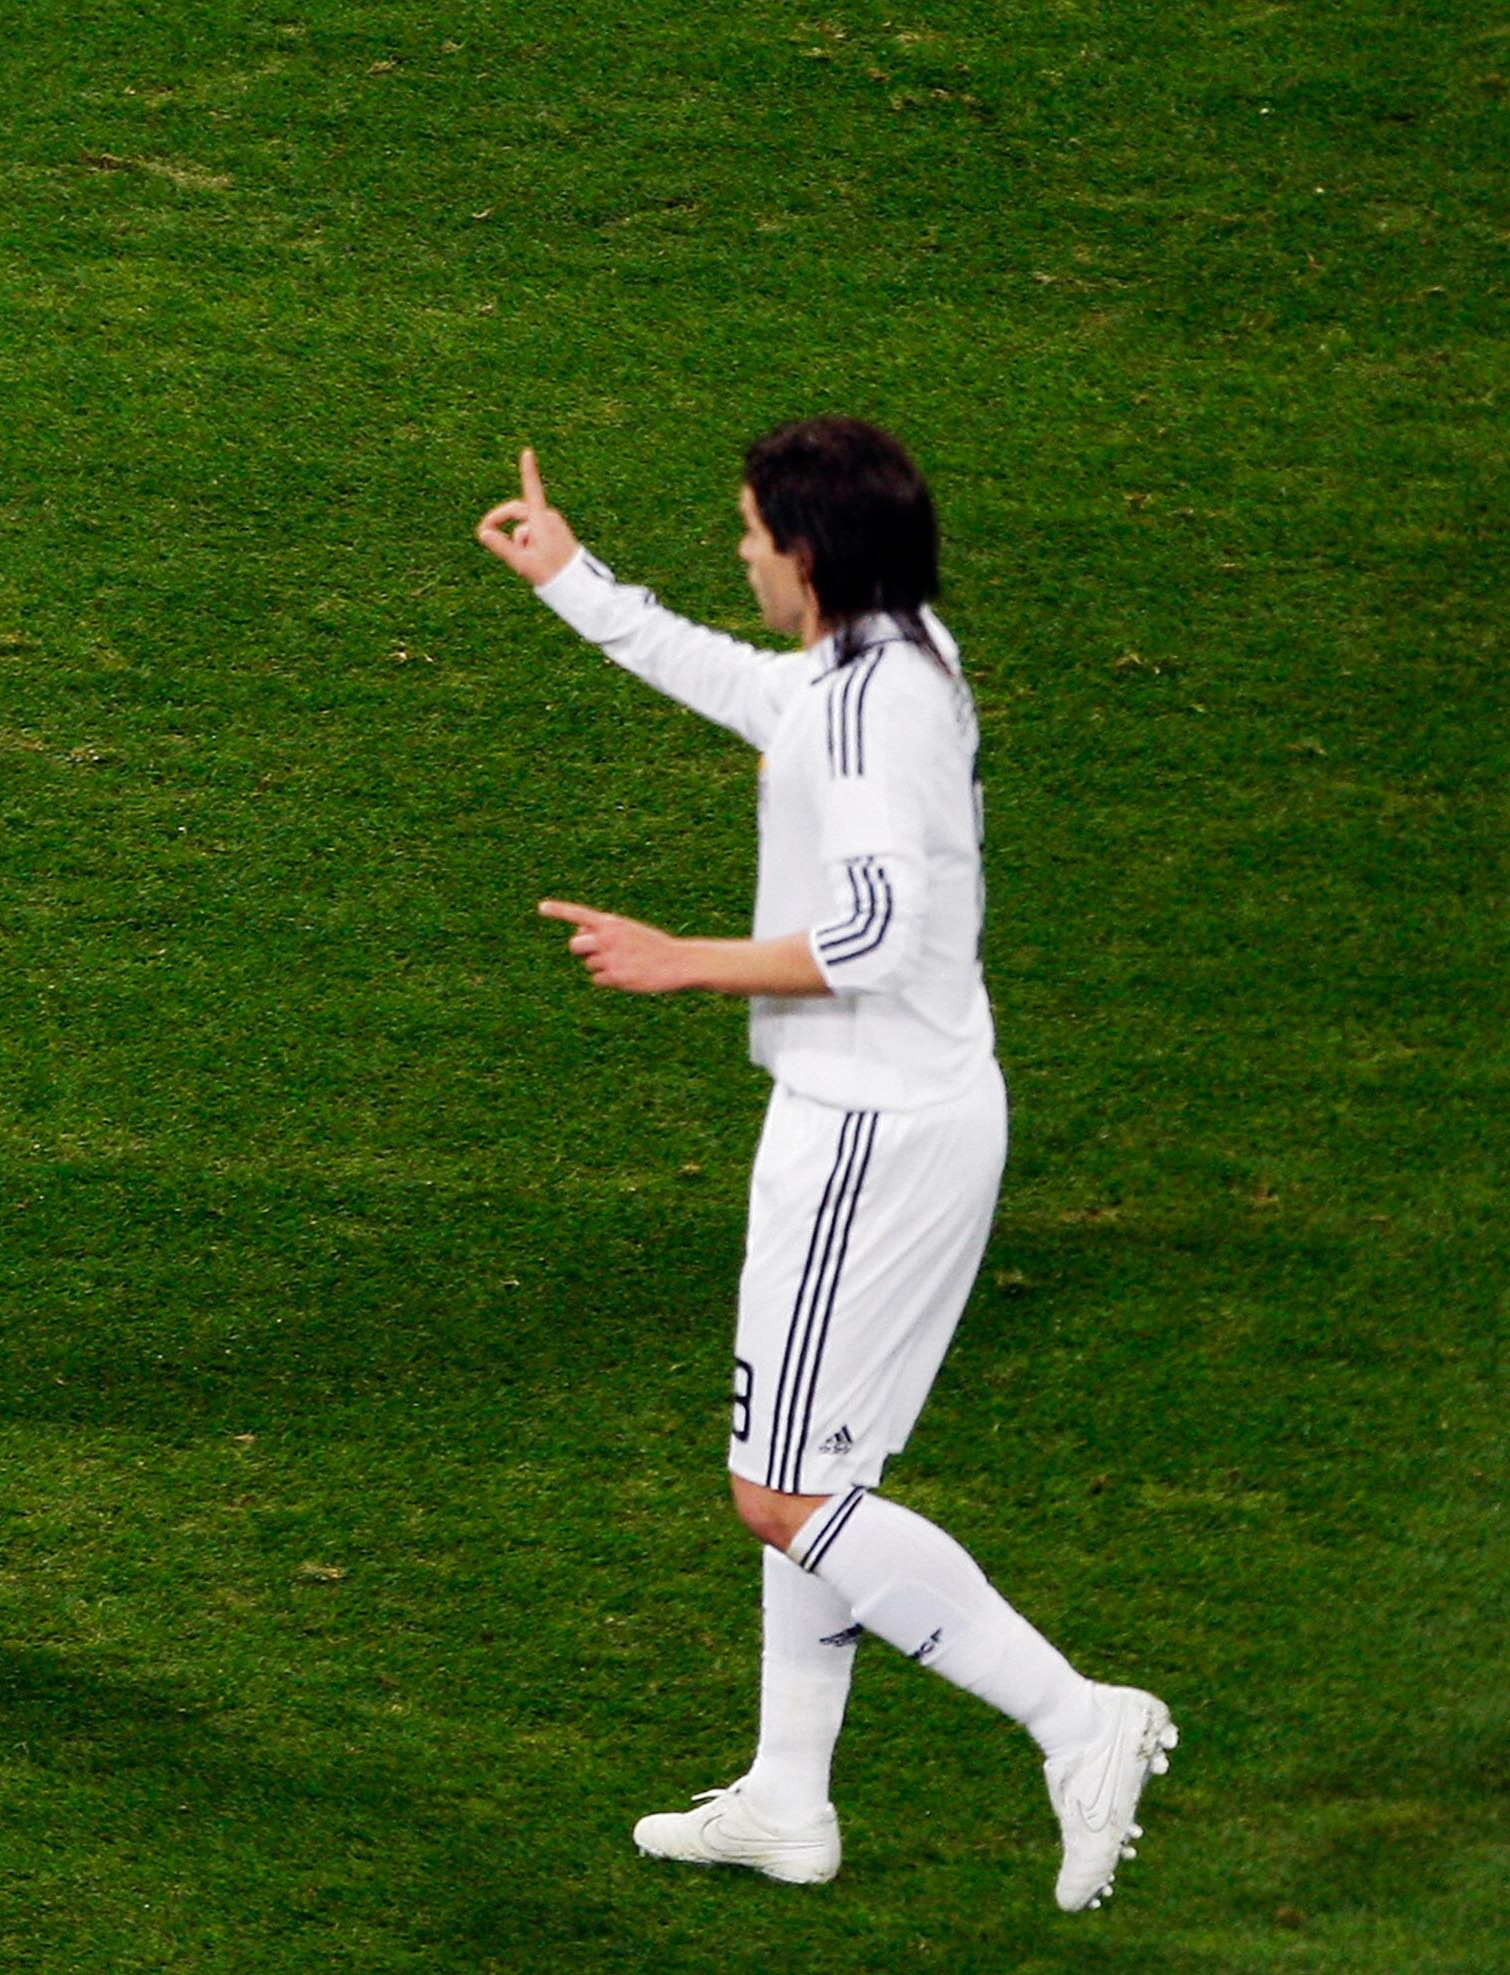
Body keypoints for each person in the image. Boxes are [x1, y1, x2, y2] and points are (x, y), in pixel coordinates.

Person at [476, 422, 1173, 1910]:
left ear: (806, 553)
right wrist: (576, 582)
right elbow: (762, 696)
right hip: (911, 1108)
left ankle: (1076, 1721)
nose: (739, 552)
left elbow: (873, 932)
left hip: (867, 1134)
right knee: (816, 1472)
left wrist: (682, 960)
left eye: (749, 531)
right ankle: (788, 1800)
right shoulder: (896, 659)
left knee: (780, 1497)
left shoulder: (870, 711)